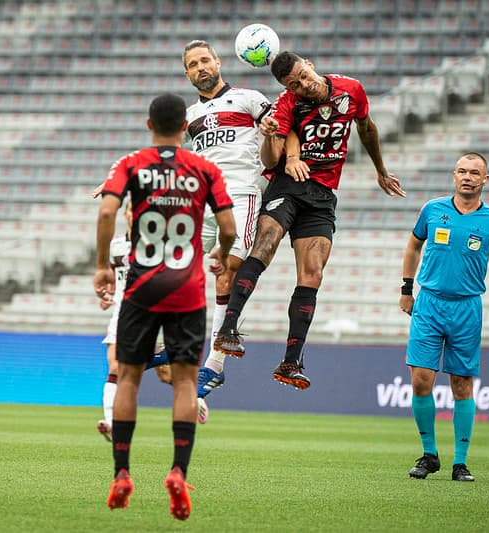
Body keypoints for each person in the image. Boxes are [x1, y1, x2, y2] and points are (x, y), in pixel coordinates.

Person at [213, 51, 406, 389]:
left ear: (311, 66)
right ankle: (227, 329)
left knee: (313, 273)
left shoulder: (352, 90)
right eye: (294, 83)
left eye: (304, 75)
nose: (303, 85)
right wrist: (276, 140)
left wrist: (380, 170)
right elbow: (270, 159)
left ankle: (291, 362)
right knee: (265, 245)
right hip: (288, 186)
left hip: (322, 197)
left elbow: (366, 127)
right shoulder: (287, 103)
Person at [93, 93, 236, 520]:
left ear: (148, 123)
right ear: (186, 126)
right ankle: (178, 471)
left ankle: (121, 473)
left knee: (129, 378)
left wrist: (102, 266)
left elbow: (105, 213)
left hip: (141, 286)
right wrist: (220, 253)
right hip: (187, 289)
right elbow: (227, 227)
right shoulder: (206, 168)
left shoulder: (131, 163)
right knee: (185, 383)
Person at [398, 152, 489, 482]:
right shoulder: (433, 210)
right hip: (429, 303)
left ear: (486, 180)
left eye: (475, 172)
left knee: (462, 384)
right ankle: (429, 454)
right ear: (454, 176)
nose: (467, 177)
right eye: (462, 171)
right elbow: (413, 246)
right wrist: (406, 289)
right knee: (420, 379)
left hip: (467, 307)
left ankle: (460, 462)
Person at [182, 40, 273, 421]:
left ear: (219, 62)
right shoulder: (189, 116)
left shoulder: (250, 98)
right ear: (187, 74)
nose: (201, 67)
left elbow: (279, 125)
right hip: (201, 196)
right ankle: (176, 345)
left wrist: (271, 130)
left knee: (229, 269)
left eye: (205, 60)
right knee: (179, 271)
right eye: (192, 64)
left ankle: (215, 363)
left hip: (239, 191)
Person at [96, 197, 172, 442]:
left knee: (167, 375)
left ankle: (195, 397)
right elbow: (112, 279)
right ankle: (111, 422)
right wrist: (106, 297)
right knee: (115, 365)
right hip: (122, 313)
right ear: (126, 214)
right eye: (131, 210)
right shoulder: (116, 246)